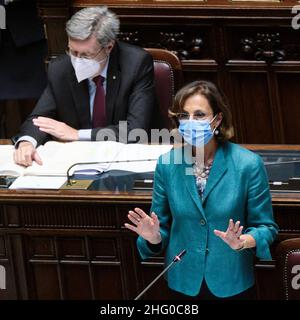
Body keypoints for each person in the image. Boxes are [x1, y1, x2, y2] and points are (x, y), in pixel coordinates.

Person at [125, 80, 278, 299]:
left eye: (199, 115)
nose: (190, 122)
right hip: (183, 279)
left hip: (231, 280)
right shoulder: (168, 164)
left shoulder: (247, 164)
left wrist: (242, 242)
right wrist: (153, 236)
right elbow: (163, 228)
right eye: (184, 116)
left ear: (217, 119)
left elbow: (266, 228)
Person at [13, 6, 156, 167]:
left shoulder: (136, 64)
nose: (77, 61)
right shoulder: (61, 68)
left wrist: (77, 134)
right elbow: (39, 119)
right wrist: (27, 142)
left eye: (86, 55)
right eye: (73, 52)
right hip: (76, 162)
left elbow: (136, 130)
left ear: (109, 47)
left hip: (125, 160)